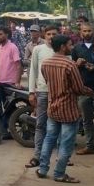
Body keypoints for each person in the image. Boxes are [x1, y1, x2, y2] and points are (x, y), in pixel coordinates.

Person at [35, 35, 94, 183]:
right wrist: (90, 92)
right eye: (69, 45)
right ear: (62, 46)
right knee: (66, 143)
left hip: (53, 107)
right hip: (68, 109)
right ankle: (59, 173)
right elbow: (78, 88)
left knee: (49, 139)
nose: (71, 47)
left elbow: (48, 82)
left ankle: (42, 169)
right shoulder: (69, 65)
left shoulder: (46, 63)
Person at [26, 26, 59, 168]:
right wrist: (31, 92)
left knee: (58, 125)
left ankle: (61, 156)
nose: (51, 36)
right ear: (44, 35)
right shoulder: (38, 50)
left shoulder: (63, 50)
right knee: (40, 125)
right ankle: (37, 156)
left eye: (54, 34)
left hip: (59, 93)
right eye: (49, 34)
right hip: (43, 92)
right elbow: (33, 71)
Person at [71, 23, 94, 156]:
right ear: (80, 32)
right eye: (84, 31)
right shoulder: (76, 48)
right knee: (86, 119)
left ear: (93, 31)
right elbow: (72, 67)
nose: (87, 33)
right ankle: (90, 146)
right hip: (83, 88)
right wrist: (77, 64)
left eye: (89, 31)